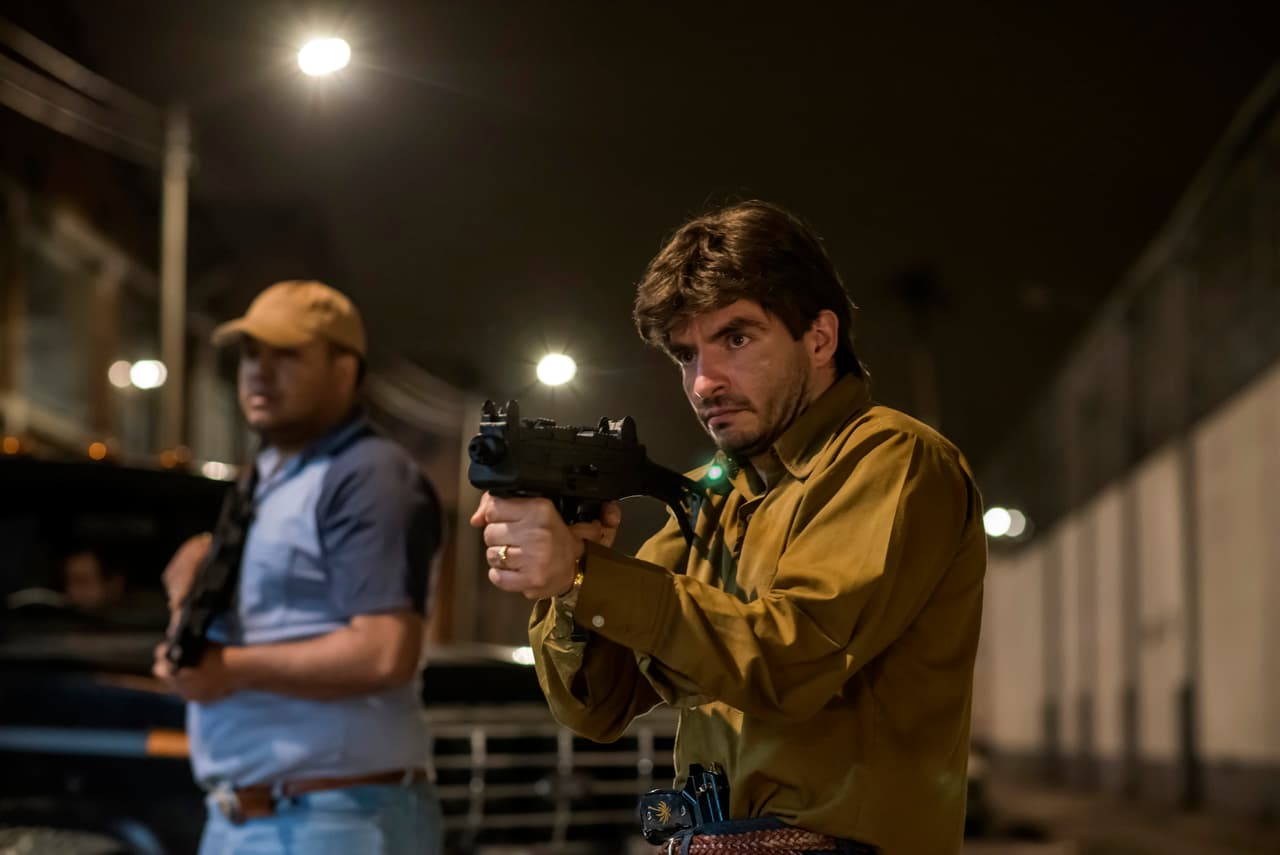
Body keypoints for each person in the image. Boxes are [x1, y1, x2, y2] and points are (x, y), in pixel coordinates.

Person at [470, 201, 987, 854]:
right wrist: (572, 578)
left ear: (820, 338)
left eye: (736, 339)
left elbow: (789, 660)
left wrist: (584, 572)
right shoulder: (719, 491)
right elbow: (595, 706)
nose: (704, 381)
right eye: (686, 354)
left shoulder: (893, 459)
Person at [154, 280, 444, 855]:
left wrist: (225, 669)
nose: (259, 372)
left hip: (334, 819)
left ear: (343, 371)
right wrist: (188, 596)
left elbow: (384, 651)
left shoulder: (368, 475)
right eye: (251, 354)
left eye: (286, 355)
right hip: (256, 817)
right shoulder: (267, 474)